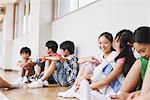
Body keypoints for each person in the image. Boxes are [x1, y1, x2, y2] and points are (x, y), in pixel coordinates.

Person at [79, 29, 136, 100]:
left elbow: (107, 80)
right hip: (110, 86)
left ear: (120, 43)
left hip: (118, 89)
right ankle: (86, 92)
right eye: (100, 43)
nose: (113, 41)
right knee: (93, 93)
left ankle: (86, 91)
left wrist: (90, 86)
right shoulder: (120, 58)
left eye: (116, 39)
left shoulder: (120, 60)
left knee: (106, 66)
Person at [58, 32, 117, 97]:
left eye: (105, 43)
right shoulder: (100, 55)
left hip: (104, 79)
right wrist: (89, 59)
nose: (102, 45)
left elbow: (105, 74)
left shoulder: (113, 55)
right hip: (95, 78)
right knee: (88, 63)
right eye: (100, 43)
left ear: (111, 43)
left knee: (90, 64)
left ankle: (76, 89)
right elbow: (79, 61)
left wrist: (83, 77)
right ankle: (74, 89)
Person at [110, 26, 150, 100]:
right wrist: (133, 94)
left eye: (143, 50)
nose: (142, 55)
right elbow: (122, 92)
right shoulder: (141, 61)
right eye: (139, 52)